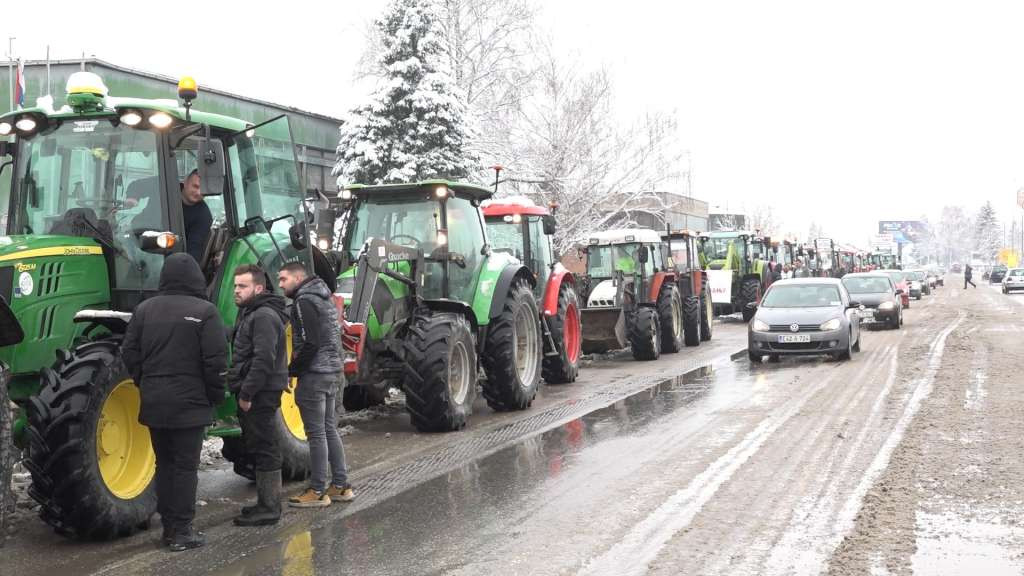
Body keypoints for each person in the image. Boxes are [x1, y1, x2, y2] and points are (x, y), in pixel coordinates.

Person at [121, 253, 227, 551]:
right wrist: (215, 396)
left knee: (164, 464)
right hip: (191, 406)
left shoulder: (144, 310)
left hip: (154, 402)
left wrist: (145, 380)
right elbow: (216, 361)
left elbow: (129, 353)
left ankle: (168, 529)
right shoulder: (206, 312)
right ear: (196, 277)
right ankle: (182, 531)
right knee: (184, 468)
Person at [277, 262, 354, 507]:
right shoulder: (323, 297)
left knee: (317, 434)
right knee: (330, 430)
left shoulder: (304, 302)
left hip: (315, 375)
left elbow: (310, 342)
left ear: (298, 278)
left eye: (284, 279)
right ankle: (341, 486)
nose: (280, 285)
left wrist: (293, 371)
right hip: (333, 372)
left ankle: (318, 490)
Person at [228, 264, 289, 526]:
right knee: (261, 444)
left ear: (259, 288)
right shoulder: (252, 312)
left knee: (265, 445)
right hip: (259, 389)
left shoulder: (263, 315)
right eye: (235, 286)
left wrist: (247, 392)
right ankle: (265, 504)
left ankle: (270, 508)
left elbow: (264, 358)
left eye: (242, 286)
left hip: (260, 392)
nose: (236, 291)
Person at [181, 169, 213, 264]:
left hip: (170, 254)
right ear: (185, 183)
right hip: (139, 233)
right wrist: (134, 197)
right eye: (195, 186)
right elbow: (139, 185)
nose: (199, 192)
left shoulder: (204, 216)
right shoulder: (167, 187)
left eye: (203, 189)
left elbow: (194, 248)